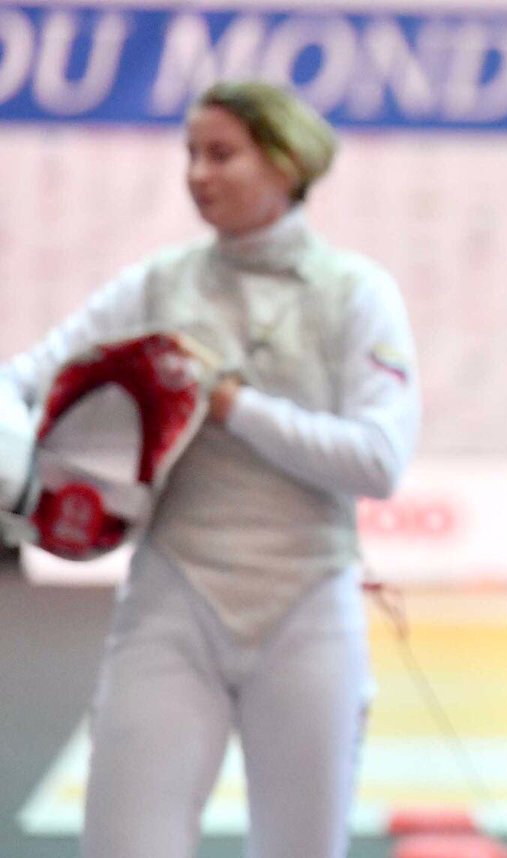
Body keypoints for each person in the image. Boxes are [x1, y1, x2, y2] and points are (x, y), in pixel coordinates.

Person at [0, 81, 419, 857]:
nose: (198, 173)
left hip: (308, 609)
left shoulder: (355, 293)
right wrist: (17, 468)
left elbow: (378, 460)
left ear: (286, 162)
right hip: (171, 600)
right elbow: (20, 381)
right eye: (191, 154)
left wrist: (227, 402)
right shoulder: (161, 285)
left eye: (221, 154)